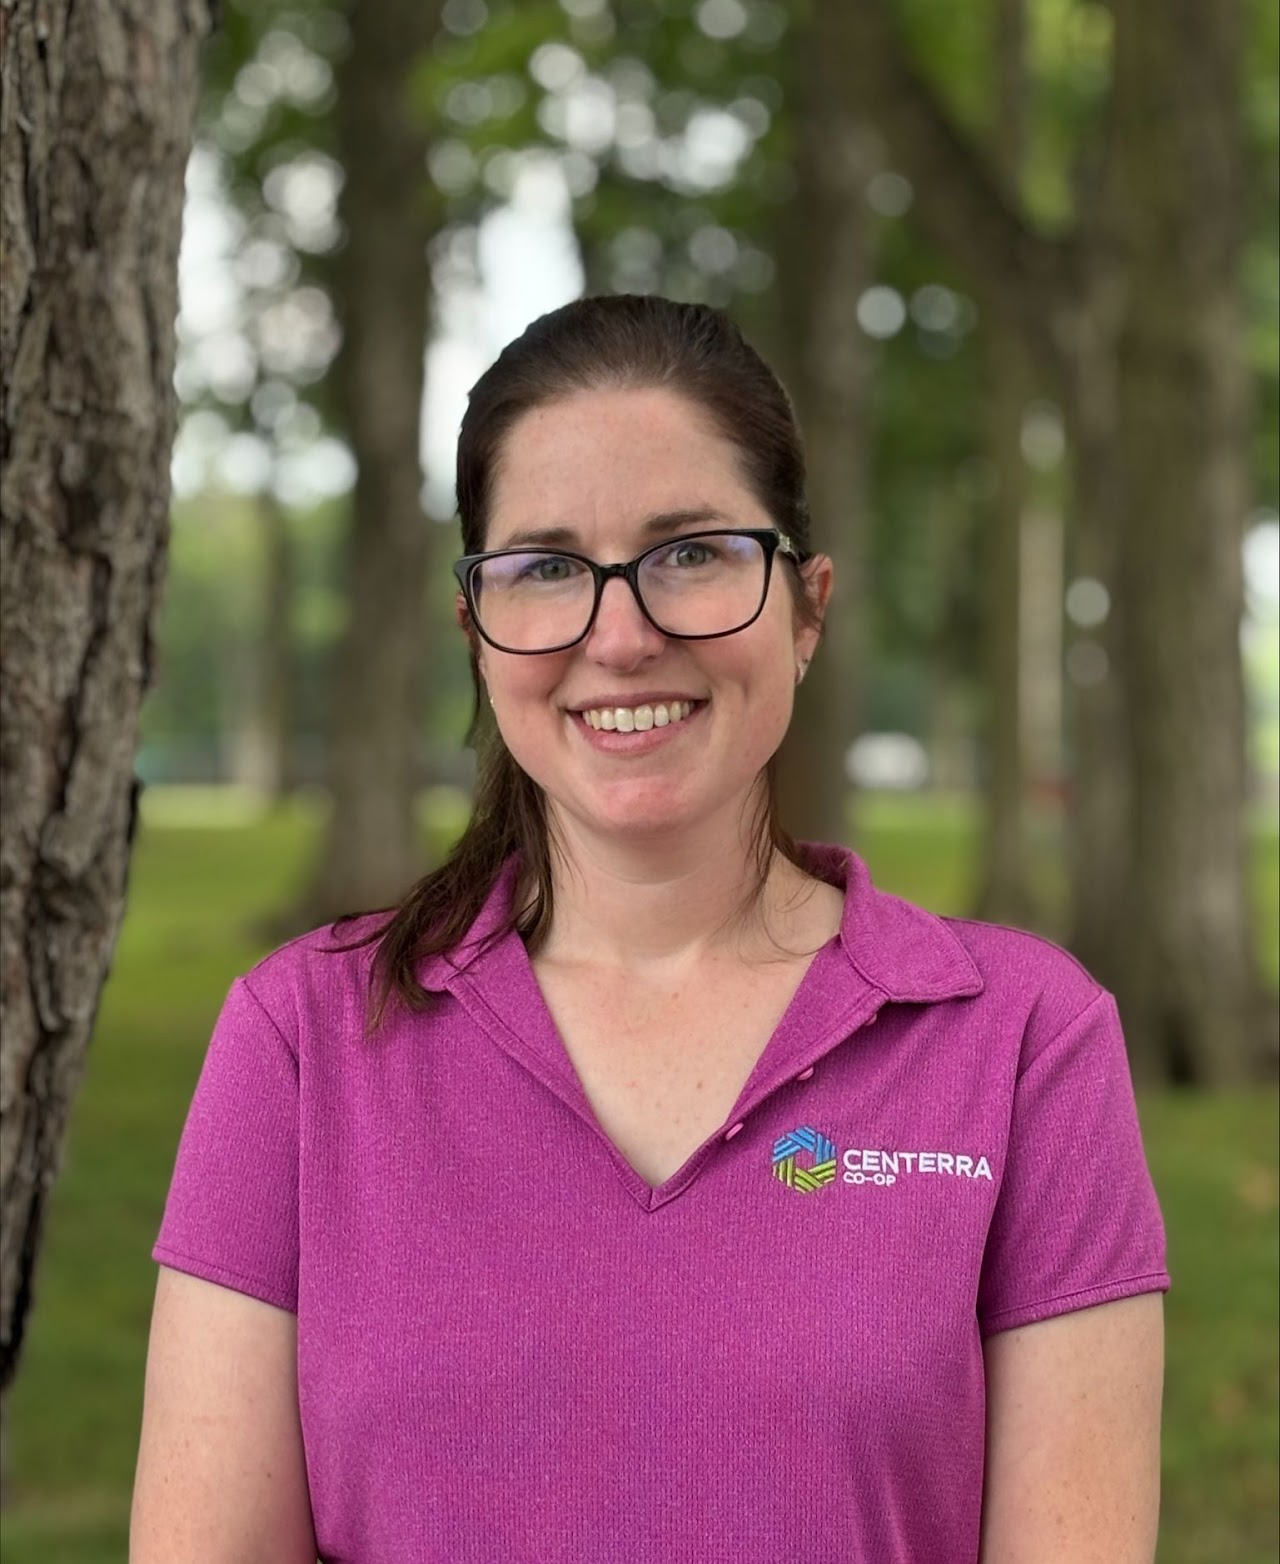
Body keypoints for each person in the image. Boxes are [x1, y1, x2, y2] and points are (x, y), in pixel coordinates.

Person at [131, 295, 1168, 1563]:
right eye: (545, 568)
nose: (619, 637)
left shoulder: (1020, 1040)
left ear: (805, 606)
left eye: (690, 553)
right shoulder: (300, 1039)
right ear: (477, 631)